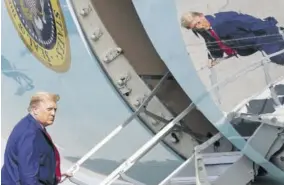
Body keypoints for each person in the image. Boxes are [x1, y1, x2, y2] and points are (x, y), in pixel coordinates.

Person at [1, 92, 72, 185]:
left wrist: (55, 176)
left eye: (55, 110)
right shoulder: (31, 133)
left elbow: (35, 162)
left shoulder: (29, 125)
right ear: (35, 110)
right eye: (49, 109)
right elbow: (28, 175)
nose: (53, 113)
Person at [180, 11, 284, 67]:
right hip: (248, 45)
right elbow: (211, 42)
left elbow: (246, 20)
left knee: (278, 57)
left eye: (198, 22)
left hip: (262, 36)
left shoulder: (224, 20)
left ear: (201, 15)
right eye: (194, 27)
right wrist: (214, 57)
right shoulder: (202, 29)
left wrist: (270, 26)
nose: (199, 27)